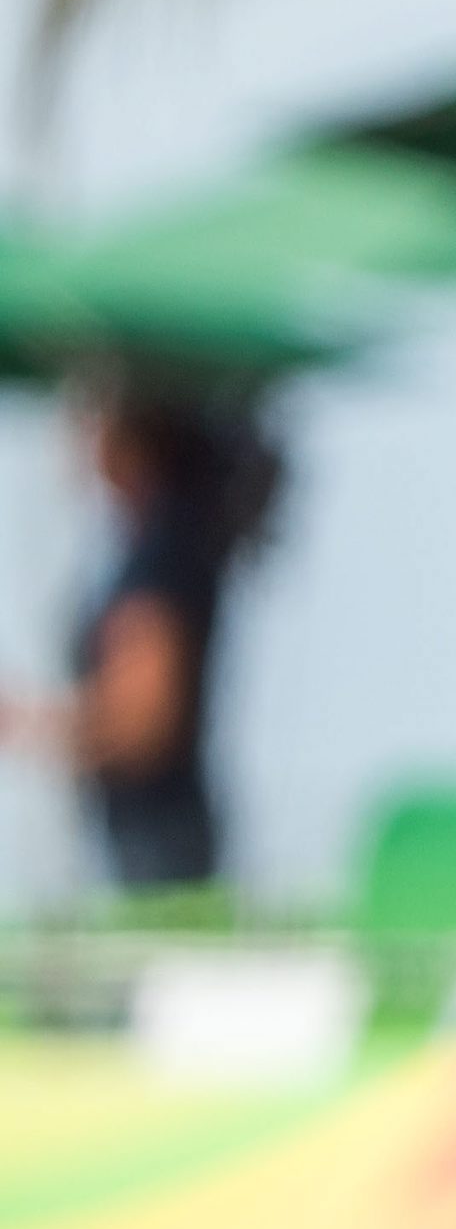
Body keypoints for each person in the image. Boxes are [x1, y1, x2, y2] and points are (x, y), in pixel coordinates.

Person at [7, 377, 280, 893]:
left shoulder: (163, 559)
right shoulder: (161, 548)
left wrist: (29, 722)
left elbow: (142, 725)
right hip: (149, 838)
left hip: (158, 845)